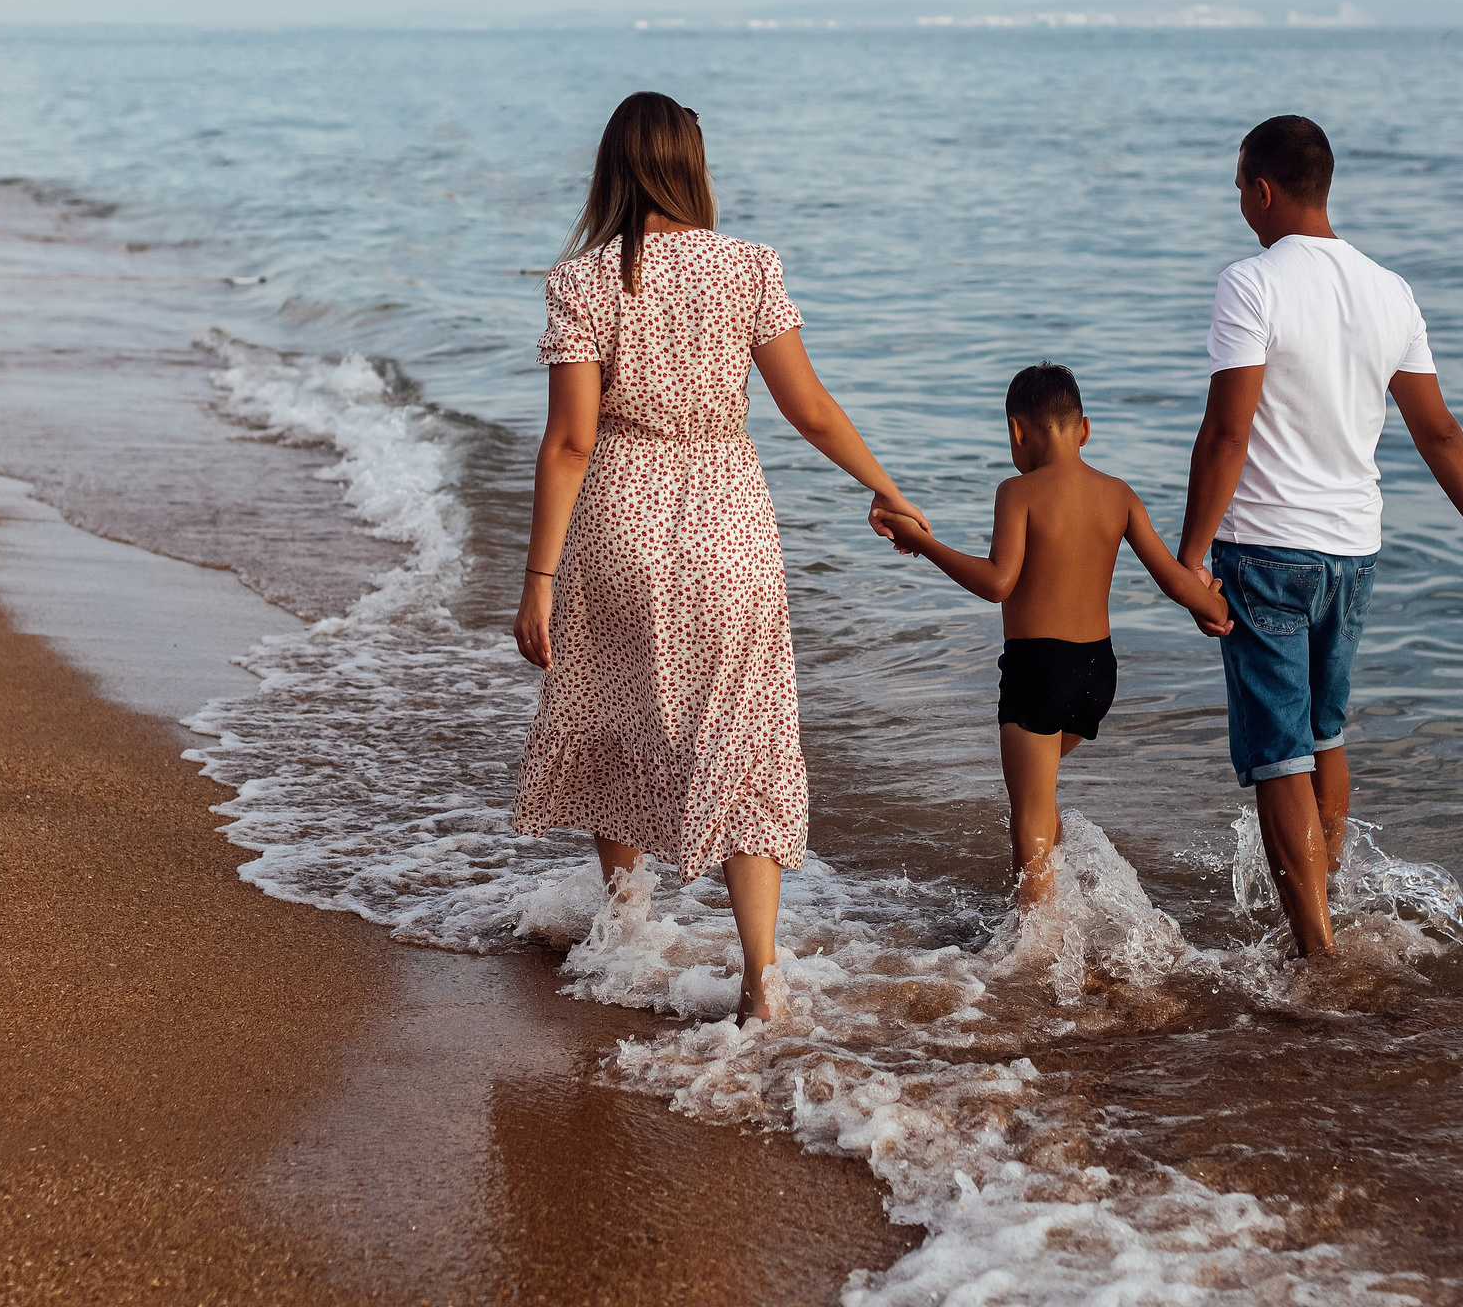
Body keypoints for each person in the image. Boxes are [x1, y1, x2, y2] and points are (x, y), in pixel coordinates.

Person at [511, 91, 927, 1023]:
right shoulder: (747, 268)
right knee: (743, 737)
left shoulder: (583, 282)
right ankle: (762, 978)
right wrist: (887, 488)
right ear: (691, 167)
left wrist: (538, 576)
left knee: (614, 714)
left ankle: (625, 937)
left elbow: (570, 443)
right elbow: (808, 408)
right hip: (728, 527)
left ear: (614, 168)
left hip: (620, 519)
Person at [1176, 114, 1463, 959]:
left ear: (1263, 190)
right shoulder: (1389, 289)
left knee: (1278, 758)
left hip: (1264, 548)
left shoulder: (1251, 283)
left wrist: (1188, 559)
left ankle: (1318, 956)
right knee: (1325, 735)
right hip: (1353, 554)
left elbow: (1227, 432)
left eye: (1239, 192)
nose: (1240, 209)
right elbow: (1438, 431)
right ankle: (1325, 917)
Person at [876, 362, 1229, 905]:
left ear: (1018, 430)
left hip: (1038, 669)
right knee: (1040, 792)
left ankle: (1037, 948)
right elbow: (1174, 579)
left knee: (1030, 816)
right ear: (1084, 429)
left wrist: (924, 543)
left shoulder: (1017, 492)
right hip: (1098, 674)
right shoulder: (1120, 494)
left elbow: (998, 583)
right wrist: (1216, 607)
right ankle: (1064, 915)